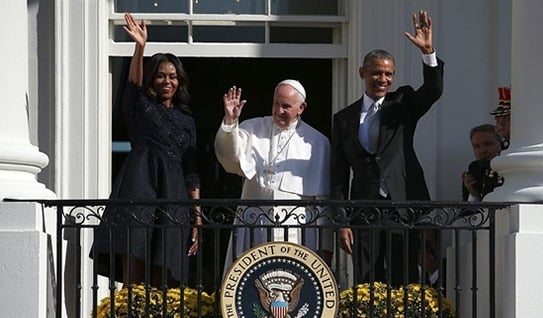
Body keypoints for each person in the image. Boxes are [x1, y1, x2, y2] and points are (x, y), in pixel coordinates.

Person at [331, 10, 444, 286]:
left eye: (388, 74)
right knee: (365, 282)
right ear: (362, 73)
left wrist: (428, 53)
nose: (383, 79)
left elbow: (433, 91)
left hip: (401, 207)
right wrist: (341, 221)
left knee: (401, 279)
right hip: (364, 210)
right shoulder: (343, 118)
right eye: (377, 73)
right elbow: (338, 174)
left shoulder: (403, 103)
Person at [91, 12, 201, 286]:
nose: (167, 81)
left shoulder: (187, 120)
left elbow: (192, 171)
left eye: (173, 77)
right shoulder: (140, 108)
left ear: (180, 81)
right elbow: (133, 85)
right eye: (161, 76)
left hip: (173, 195)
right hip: (140, 188)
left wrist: (197, 216)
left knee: (167, 274)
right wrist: (140, 48)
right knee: (135, 268)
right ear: (153, 79)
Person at [214, 80, 332, 270]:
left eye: (286, 106)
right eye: (276, 104)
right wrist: (230, 123)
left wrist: (326, 248)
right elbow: (228, 157)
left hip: (298, 228)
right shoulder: (253, 128)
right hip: (254, 222)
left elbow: (324, 202)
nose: (278, 111)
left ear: (301, 108)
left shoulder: (317, 142)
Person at [462, 124, 504, 201]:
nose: (482, 151)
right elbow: (466, 211)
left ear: (500, 144)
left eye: (488, 144)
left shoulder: (509, 167)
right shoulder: (475, 169)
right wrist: (473, 194)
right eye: (476, 146)